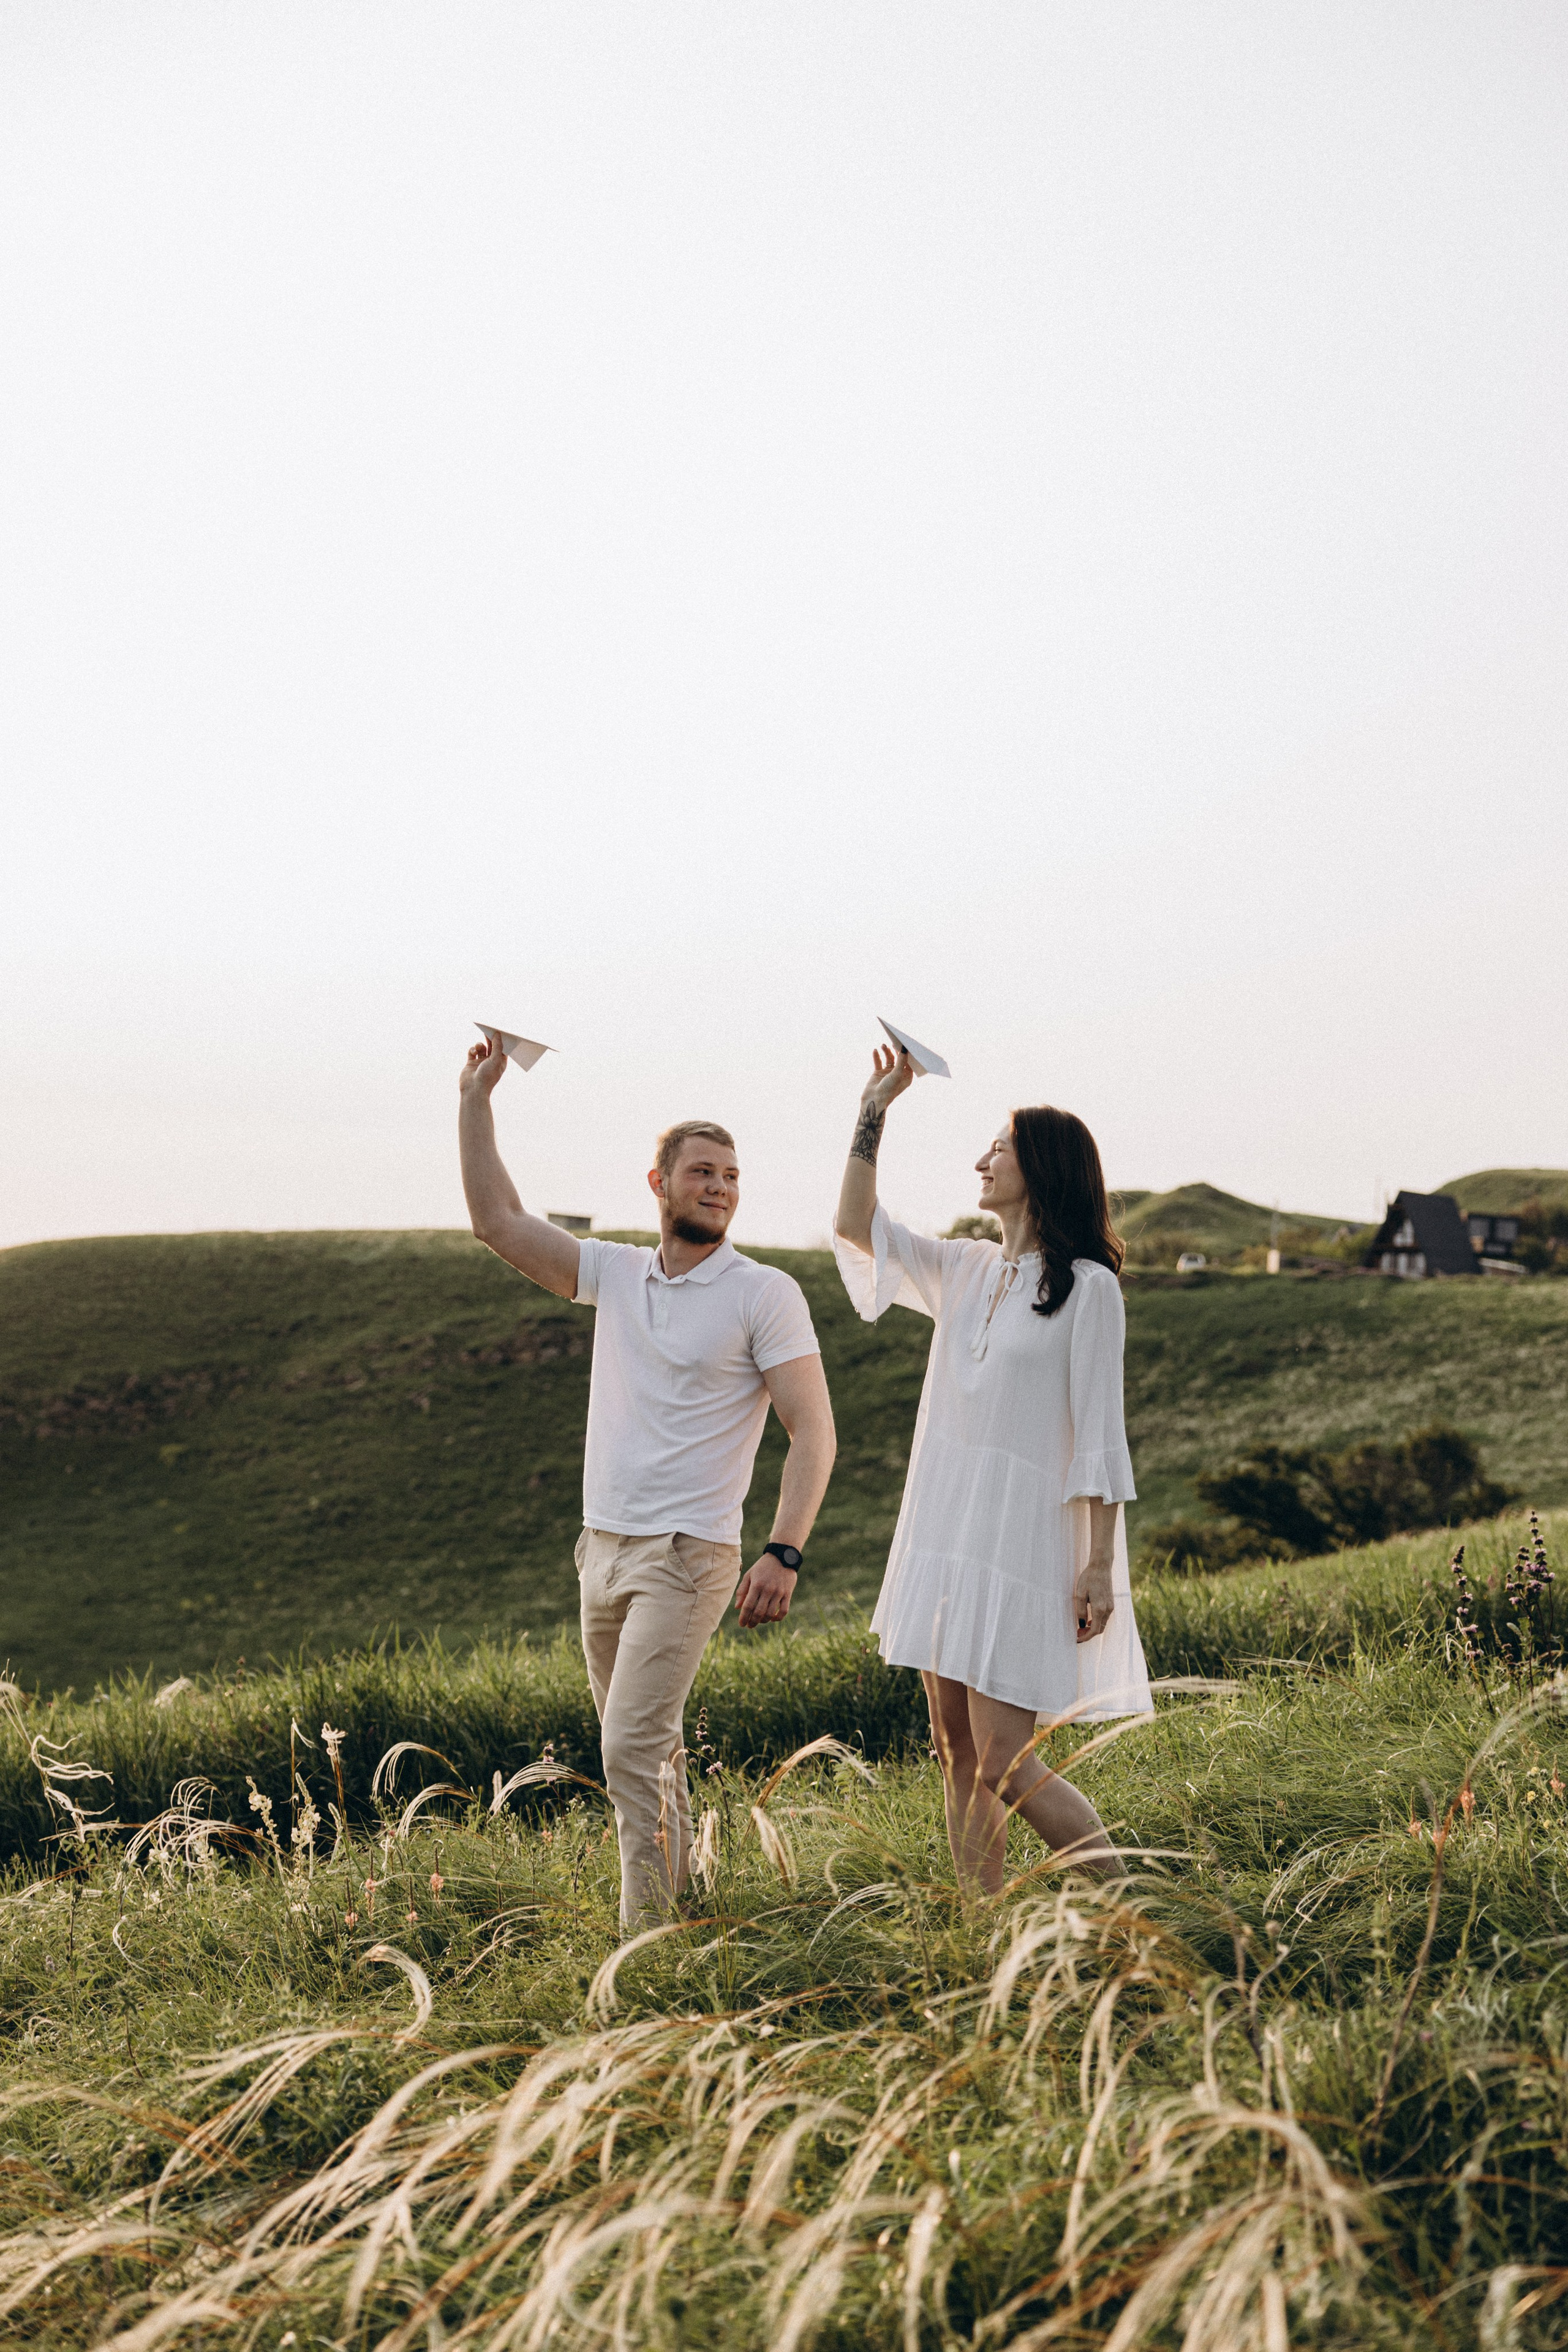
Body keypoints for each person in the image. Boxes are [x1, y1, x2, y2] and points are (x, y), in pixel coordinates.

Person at [459, 1035, 836, 1929]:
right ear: (659, 1184)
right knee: (651, 1751)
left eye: (733, 1176)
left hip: (688, 1554)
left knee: (626, 1749)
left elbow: (813, 1432)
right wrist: (477, 1099)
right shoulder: (620, 1275)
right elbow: (498, 1224)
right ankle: (689, 1900)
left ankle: (644, 1947)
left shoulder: (765, 1293)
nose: (721, 1187)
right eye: (703, 1171)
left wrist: (785, 1550)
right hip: (602, 1551)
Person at [834, 1046, 1150, 1891]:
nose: (981, 1161)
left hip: (1023, 1544)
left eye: (998, 1149)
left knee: (1009, 1761)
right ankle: (982, 1928)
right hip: (946, 1530)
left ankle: (1139, 1913)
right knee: (957, 1748)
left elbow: (1100, 1437)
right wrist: (875, 1112)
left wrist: (1095, 1564)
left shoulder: (1090, 1290)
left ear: (1041, 1168)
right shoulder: (968, 1269)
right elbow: (855, 1227)